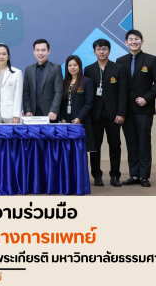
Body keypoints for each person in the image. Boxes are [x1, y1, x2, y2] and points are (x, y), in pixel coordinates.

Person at [84, 39, 127, 187]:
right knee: (95, 147)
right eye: (98, 49)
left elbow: (123, 93)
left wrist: (121, 113)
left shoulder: (118, 68)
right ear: (94, 51)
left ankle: (115, 175)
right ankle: (97, 175)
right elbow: (87, 94)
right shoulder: (89, 69)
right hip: (95, 115)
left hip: (113, 115)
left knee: (115, 146)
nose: (101, 52)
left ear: (109, 51)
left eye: (104, 49)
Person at [116, 30, 156, 187]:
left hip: (144, 109)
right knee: (131, 142)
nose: (134, 42)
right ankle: (134, 175)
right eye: (130, 39)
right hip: (127, 110)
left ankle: (144, 176)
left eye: (136, 39)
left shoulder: (151, 60)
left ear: (142, 41)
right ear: (126, 42)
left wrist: (147, 98)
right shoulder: (120, 61)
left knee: (144, 142)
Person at [60, 55, 96, 155]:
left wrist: (79, 118)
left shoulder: (86, 81)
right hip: (67, 121)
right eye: (70, 65)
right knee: (68, 150)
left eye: (75, 65)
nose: (72, 67)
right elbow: (61, 103)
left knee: (82, 150)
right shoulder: (64, 83)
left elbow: (89, 103)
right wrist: (62, 117)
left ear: (79, 66)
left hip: (81, 121)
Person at [23, 39, 63, 122]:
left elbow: (59, 91)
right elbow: (26, 92)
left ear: (48, 51)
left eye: (43, 50)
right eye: (37, 50)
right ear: (34, 52)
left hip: (50, 113)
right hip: (33, 113)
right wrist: (28, 110)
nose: (40, 53)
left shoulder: (56, 68)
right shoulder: (29, 69)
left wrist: (54, 110)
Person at [0, 43, 23, 123]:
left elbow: (18, 96)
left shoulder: (16, 73)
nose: (1, 57)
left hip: (10, 113)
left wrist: (16, 115)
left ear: (8, 56)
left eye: (4, 54)